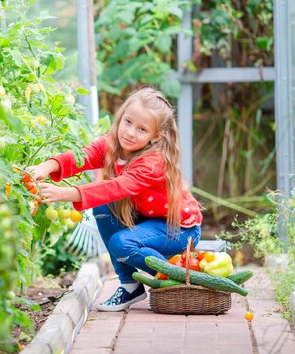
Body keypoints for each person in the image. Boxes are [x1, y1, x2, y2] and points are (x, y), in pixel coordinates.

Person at [26, 87, 202, 312]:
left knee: (121, 243)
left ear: (155, 136)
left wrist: (64, 193)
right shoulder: (112, 145)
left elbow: (116, 187)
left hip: (180, 230)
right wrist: (45, 167)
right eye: (127, 122)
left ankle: (177, 281)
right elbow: (82, 156)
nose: (130, 132)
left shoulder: (153, 162)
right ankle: (131, 286)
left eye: (142, 129)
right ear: (120, 118)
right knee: (101, 202)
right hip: (147, 221)